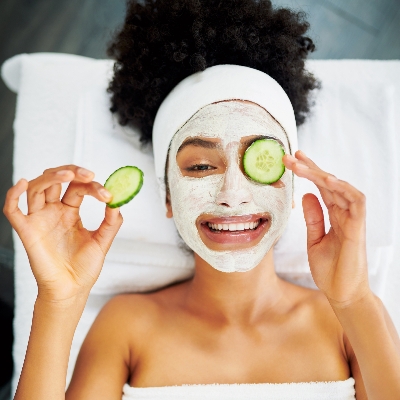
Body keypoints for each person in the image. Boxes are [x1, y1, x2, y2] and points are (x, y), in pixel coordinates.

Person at [4, 1, 400, 399]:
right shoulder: (126, 327)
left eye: (259, 163)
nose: (232, 196)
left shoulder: (350, 318)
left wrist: (354, 300)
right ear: (167, 197)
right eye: (200, 167)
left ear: (292, 185)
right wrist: (59, 299)